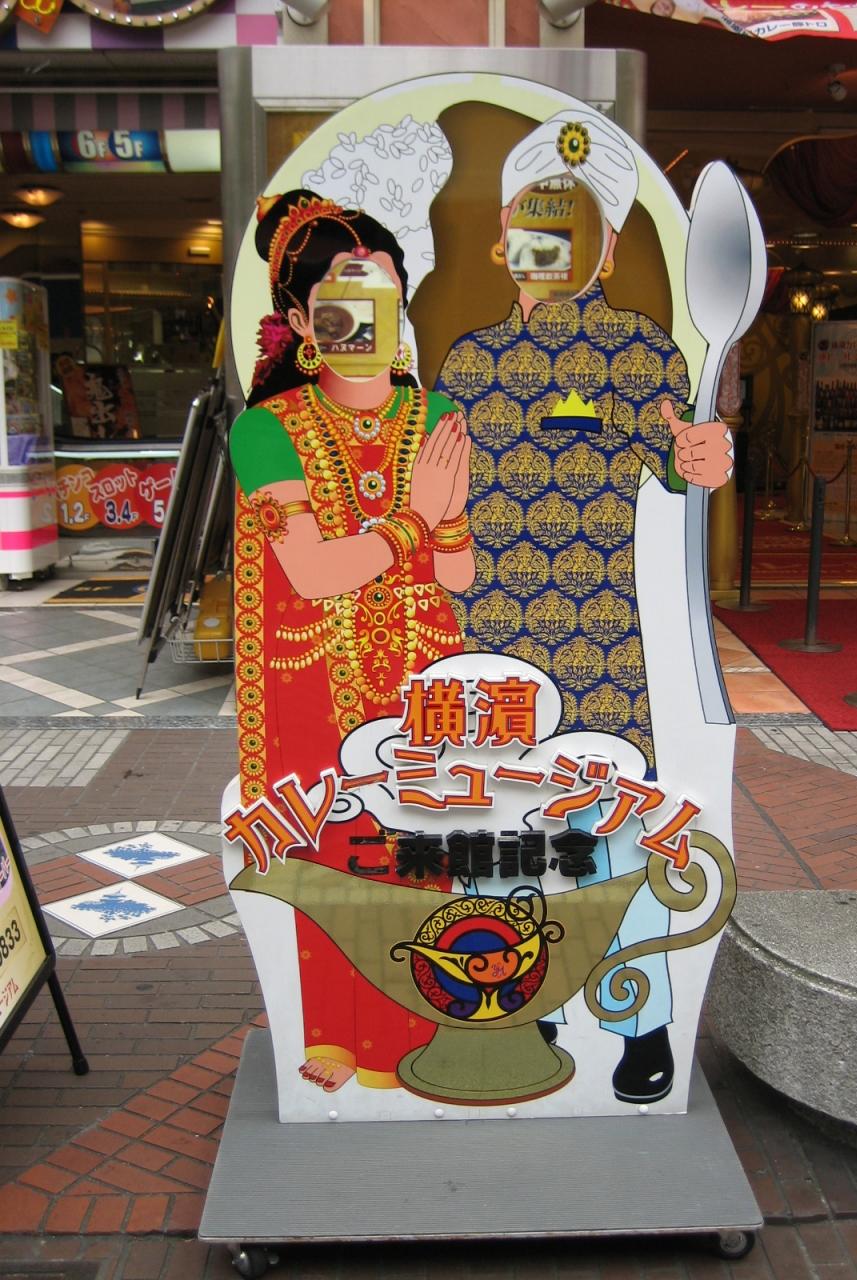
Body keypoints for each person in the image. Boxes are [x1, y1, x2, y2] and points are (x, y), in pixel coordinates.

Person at [433, 111, 730, 1104]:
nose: (552, 246)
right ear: (503, 238)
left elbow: (679, 466)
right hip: (492, 649)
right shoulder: (466, 365)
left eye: (575, 228)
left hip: (606, 656)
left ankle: (639, 1023)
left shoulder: (644, 354)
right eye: (534, 224)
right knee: (497, 835)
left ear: (606, 247)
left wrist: (705, 459)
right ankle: (519, 1003)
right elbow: (435, 508)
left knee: (611, 842)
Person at [229, 190, 475, 1093]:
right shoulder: (267, 429)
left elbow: (459, 576)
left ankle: (427, 1023)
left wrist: (449, 524)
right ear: (300, 320)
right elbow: (309, 572)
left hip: (421, 677)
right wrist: (417, 519)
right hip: (319, 686)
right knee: (337, 853)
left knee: (422, 849)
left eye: (384, 295)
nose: (367, 317)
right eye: (342, 298)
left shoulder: (435, 413)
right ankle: (336, 1033)